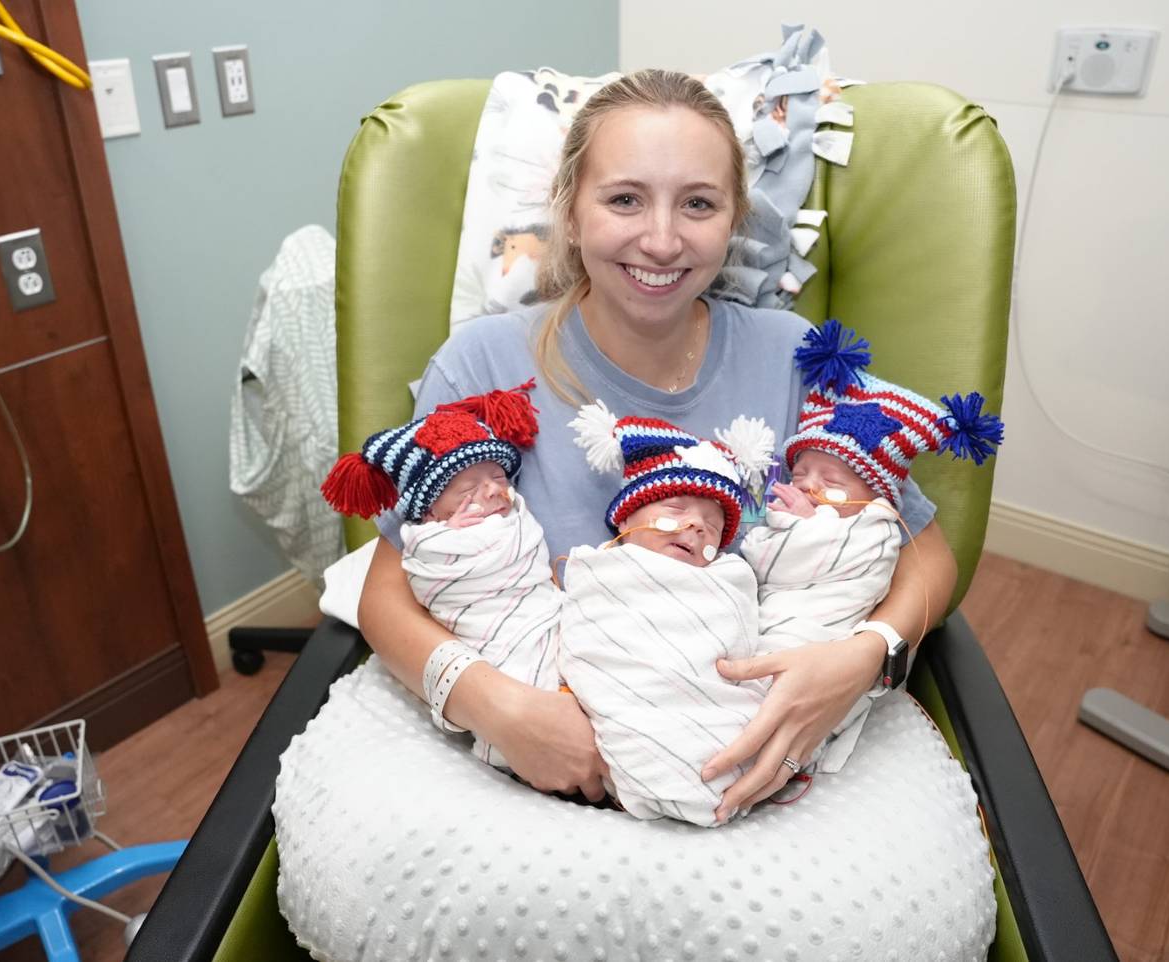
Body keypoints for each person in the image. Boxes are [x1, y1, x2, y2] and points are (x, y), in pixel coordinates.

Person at [361, 67, 960, 826]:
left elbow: (927, 556)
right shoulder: (481, 365)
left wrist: (865, 656)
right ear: (570, 213)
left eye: (699, 204)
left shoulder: (795, 356)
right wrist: (501, 708)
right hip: (541, 768)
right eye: (624, 199)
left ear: (735, 219)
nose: (663, 239)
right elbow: (384, 594)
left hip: (756, 768)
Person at [740, 318, 1005, 774]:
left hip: (815, 652)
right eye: (799, 474)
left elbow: (913, 558)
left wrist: (864, 655)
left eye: (832, 483)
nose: (807, 488)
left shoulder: (874, 523)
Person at [324, 382, 562, 768]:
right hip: (497, 650)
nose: (492, 491)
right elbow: (429, 572)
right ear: (431, 513)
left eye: (499, 477)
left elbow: (527, 544)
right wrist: (458, 538)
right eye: (468, 487)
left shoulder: (513, 513)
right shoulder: (432, 538)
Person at [557, 404, 775, 825]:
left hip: (712, 725)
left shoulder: (726, 578)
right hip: (615, 735)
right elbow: (583, 645)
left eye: (711, 526)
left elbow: (741, 642)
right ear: (626, 517)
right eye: (674, 509)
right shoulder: (602, 571)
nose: (695, 526)